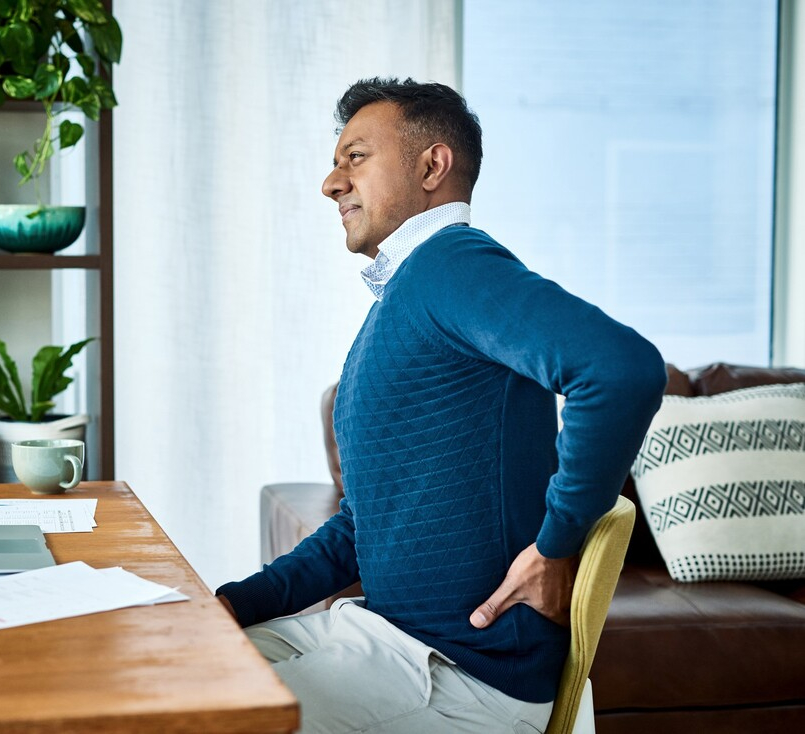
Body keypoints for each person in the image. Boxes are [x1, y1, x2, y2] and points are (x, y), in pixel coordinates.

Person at [214, 78, 668, 733]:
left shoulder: (451, 265)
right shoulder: (406, 300)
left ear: (432, 166)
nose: (331, 183)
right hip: (384, 641)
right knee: (178, 661)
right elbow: (361, 528)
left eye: (356, 157)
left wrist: (554, 546)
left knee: (186, 707)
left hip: (460, 676)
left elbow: (620, 368)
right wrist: (234, 601)